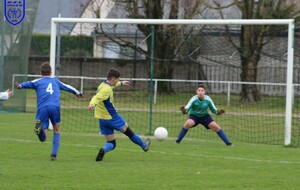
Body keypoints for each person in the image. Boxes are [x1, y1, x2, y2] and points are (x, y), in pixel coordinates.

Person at [15, 62, 83, 161]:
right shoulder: (56, 81)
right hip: (54, 107)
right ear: (51, 72)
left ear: (40, 72)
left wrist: (20, 86)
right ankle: (54, 155)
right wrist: (78, 93)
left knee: (43, 135)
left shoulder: (38, 81)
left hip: (42, 108)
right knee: (57, 129)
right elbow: (68, 87)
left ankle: (40, 131)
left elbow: (28, 83)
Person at [88, 68, 151, 162]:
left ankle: (103, 150)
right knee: (129, 133)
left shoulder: (103, 85)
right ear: (113, 78)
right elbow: (96, 98)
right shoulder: (106, 90)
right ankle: (144, 146)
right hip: (113, 117)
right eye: (117, 79)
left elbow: (112, 86)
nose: (118, 80)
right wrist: (92, 104)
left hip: (102, 119)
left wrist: (121, 83)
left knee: (111, 142)